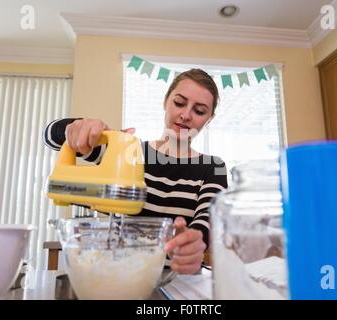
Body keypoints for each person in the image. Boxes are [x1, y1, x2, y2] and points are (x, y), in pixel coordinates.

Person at [43, 68, 228, 274]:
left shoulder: (213, 168)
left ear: (209, 119)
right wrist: (79, 127)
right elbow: (52, 136)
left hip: (181, 282)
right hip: (123, 278)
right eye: (179, 103)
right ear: (165, 102)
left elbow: (209, 222)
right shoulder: (128, 151)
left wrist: (192, 244)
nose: (185, 115)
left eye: (199, 111)